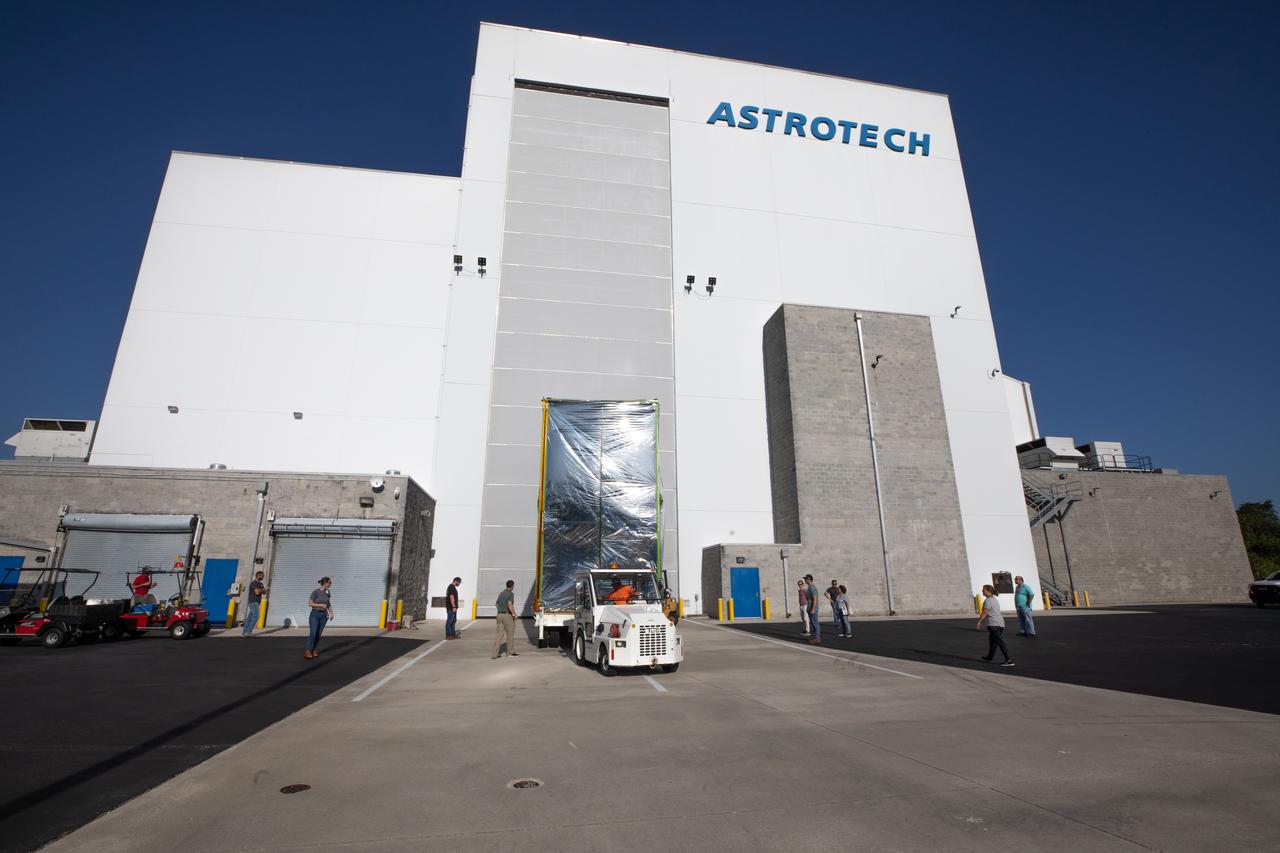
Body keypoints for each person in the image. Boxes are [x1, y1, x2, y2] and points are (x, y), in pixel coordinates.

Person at [977, 584, 1013, 667]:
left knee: (1000, 642)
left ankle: (1009, 660)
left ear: (988, 591)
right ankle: (990, 657)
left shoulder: (988, 601)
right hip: (999, 624)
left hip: (994, 624)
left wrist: (979, 621)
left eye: (983, 589)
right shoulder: (994, 599)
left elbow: (985, 612)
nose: (982, 591)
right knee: (993, 642)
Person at [304, 577, 333, 660]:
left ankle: (313, 650)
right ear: (325, 583)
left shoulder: (327, 591)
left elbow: (328, 603)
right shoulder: (315, 592)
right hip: (315, 615)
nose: (331, 584)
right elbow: (310, 603)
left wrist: (331, 613)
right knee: (313, 633)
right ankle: (307, 651)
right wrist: (320, 605)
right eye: (330, 583)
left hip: (324, 616)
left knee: (318, 634)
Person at [492, 579, 519, 659]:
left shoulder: (501, 593)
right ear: (512, 586)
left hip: (499, 615)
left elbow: (496, 604)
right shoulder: (510, 594)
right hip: (507, 616)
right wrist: (514, 614)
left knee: (499, 635)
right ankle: (509, 652)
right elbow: (509, 605)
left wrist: (500, 610)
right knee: (510, 635)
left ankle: (495, 654)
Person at [242, 571, 266, 637]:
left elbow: (265, 592)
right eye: (262, 576)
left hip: (256, 603)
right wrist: (261, 590)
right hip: (253, 602)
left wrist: (261, 590)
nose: (263, 577)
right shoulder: (254, 583)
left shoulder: (260, 583)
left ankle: (244, 632)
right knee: (256, 616)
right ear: (258, 576)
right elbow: (257, 593)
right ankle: (248, 632)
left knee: (249, 618)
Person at [804, 574, 821, 644]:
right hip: (810, 607)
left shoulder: (812, 588)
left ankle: (817, 638)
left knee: (815, 623)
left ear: (809, 580)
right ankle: (816, 637)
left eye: (805, 579)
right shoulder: (809, 587)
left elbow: (815, 599)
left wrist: (813, 609)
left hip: (813, 608)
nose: (804, 580)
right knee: (813, 624)